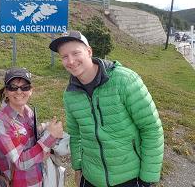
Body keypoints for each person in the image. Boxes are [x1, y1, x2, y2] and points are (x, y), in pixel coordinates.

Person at [49, 30, 164, 187]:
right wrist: (78, 168)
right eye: (64, 56)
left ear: (89, 51)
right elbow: (76, 135)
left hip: (130, 178)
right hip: (90, 178)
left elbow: (151, 129)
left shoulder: (125, 80)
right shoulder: (70, 94)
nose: (71, 61)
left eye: (75, 53)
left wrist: (147, 178)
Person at [0, 67, 64, 187]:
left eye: (25, 87)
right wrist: (50, 137)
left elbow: (28, 139)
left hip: (39, 179)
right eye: (13, 87)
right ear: (6, 92)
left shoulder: (28, 111)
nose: (19, 92)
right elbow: (19, 162)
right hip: (19, 183)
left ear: (31, 90)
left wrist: (44, 127)